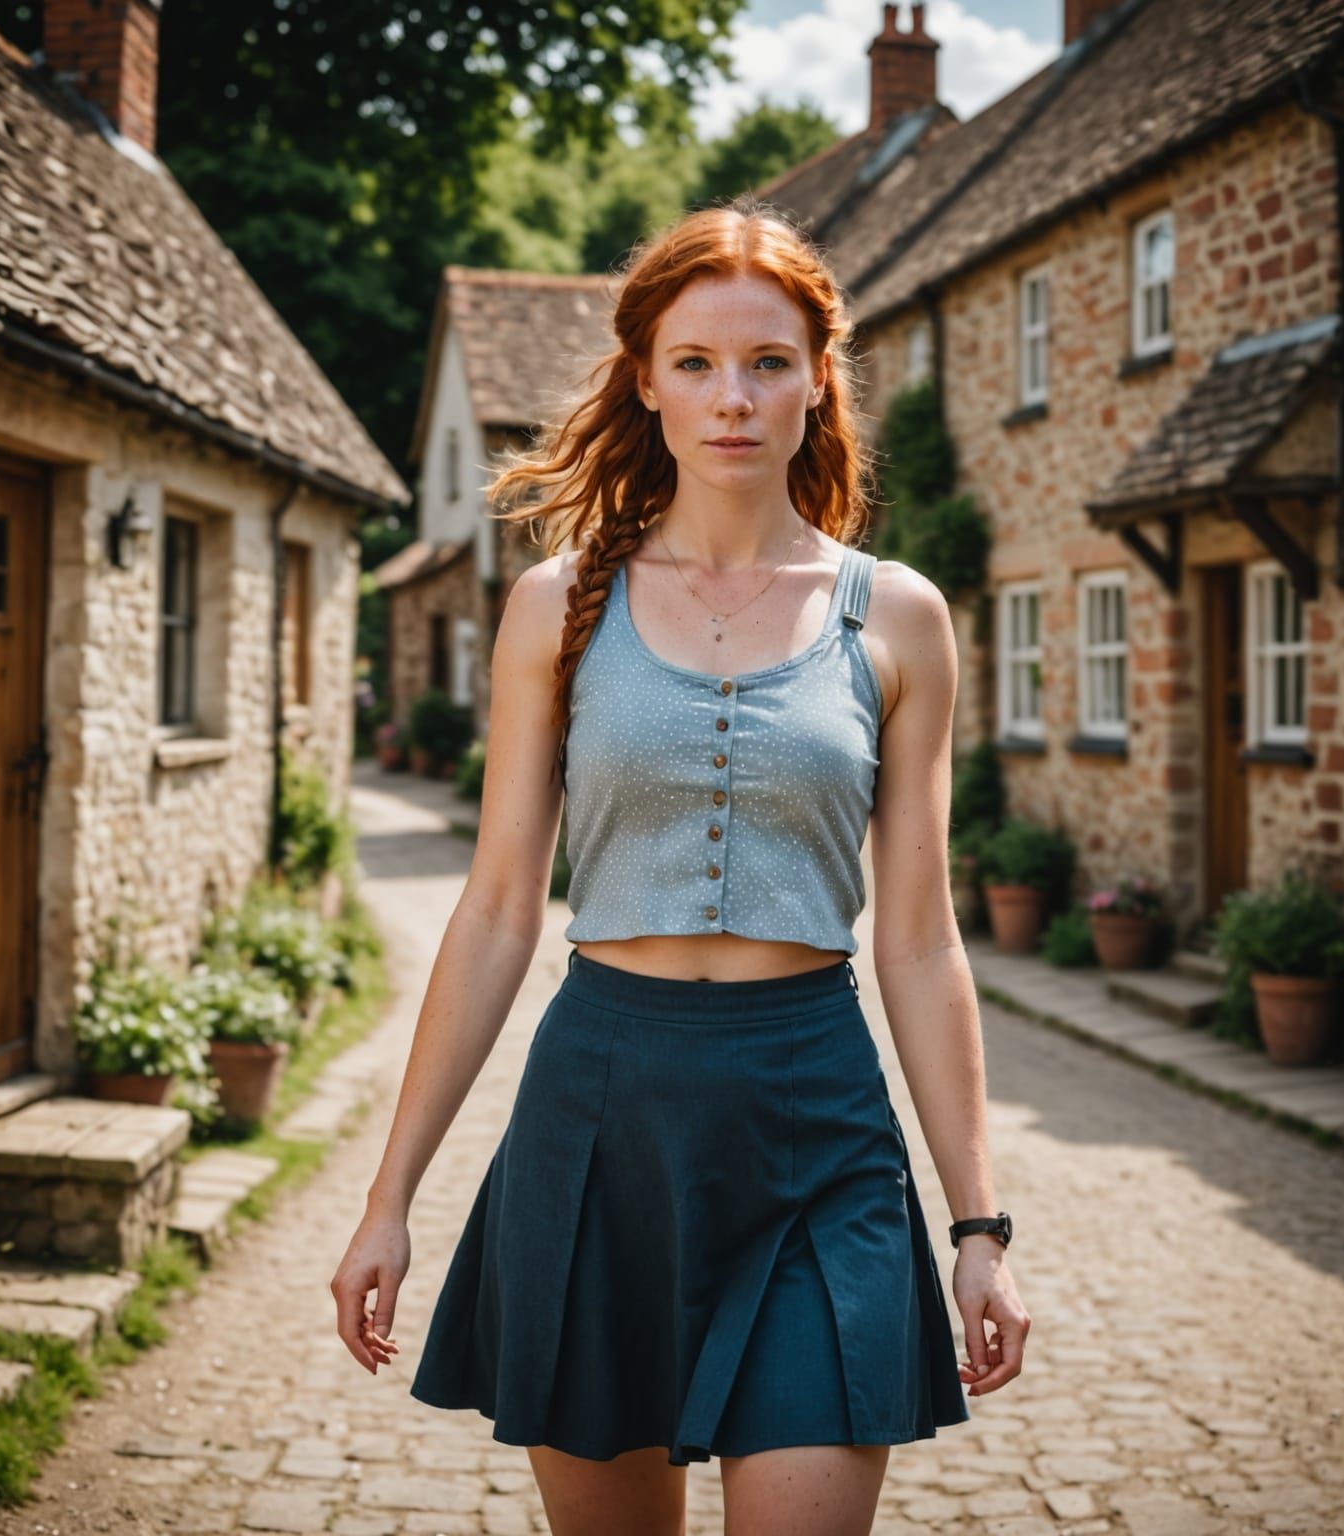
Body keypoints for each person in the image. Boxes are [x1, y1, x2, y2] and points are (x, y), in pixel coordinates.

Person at [330, 196, 1030, 1536]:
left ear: (818, 383)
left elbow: (924, 941)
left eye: (769, 362)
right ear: (644, 381)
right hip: (599, 1121)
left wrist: (978, 1231)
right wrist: (389, 1201)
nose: (734, 397)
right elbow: (490, 917)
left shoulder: (900, 620)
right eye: (697, 363)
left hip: (817, 1120)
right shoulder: (556, 607)